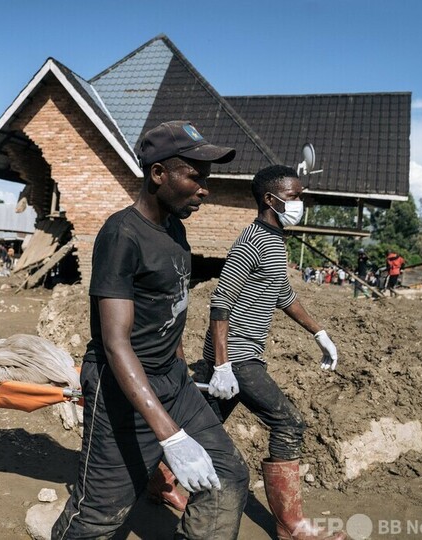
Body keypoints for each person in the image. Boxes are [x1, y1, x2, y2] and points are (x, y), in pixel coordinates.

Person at [52, 121, 249, 539]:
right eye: (195, 176)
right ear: (159, 173)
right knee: (100, 516)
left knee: (227, 475)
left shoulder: (176, 229)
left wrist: (187, 377)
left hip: (172, 380)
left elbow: (168, 311)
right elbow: (116, 341)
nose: (205, 189)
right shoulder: (122, 234)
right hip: (121, 389)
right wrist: (171, 437)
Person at [203, 165, 345, 540]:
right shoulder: (252, 241)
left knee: (203, 423)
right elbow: (221, 301)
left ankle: (161, 482)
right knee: (289, 423)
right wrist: (221, 365)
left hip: (242, 354)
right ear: (271, 199)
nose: (300, 203)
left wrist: (320, 333)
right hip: (237, 356)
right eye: (295, 196)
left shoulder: (274, 239)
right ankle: (290, 525)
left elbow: (283, 294)